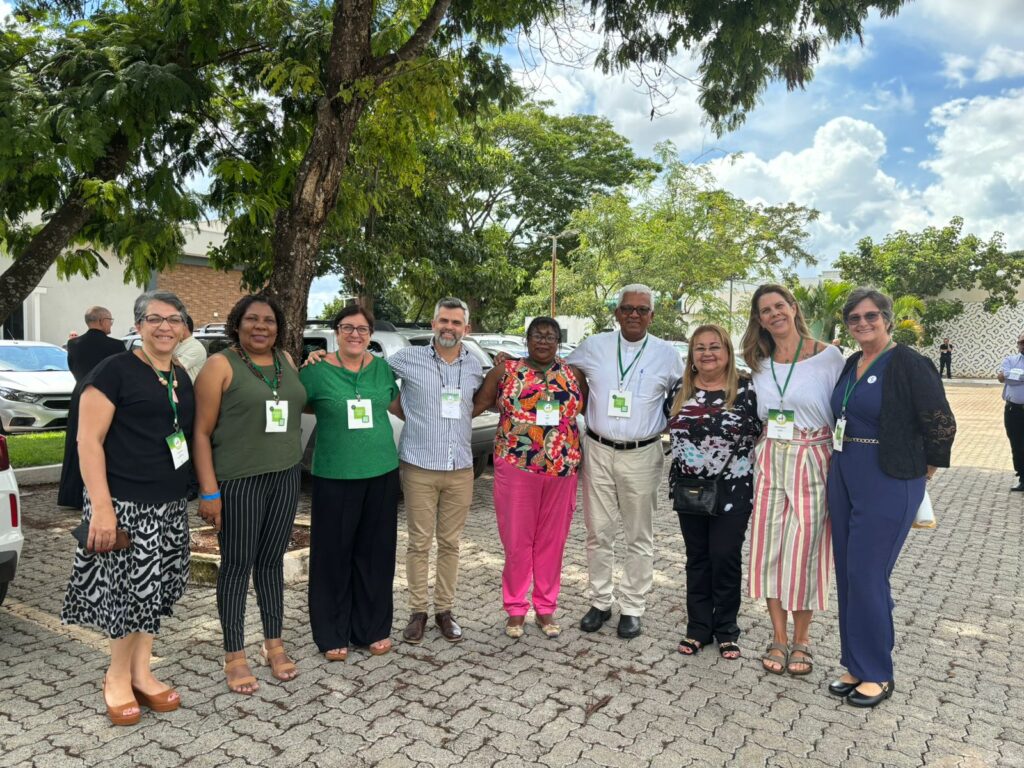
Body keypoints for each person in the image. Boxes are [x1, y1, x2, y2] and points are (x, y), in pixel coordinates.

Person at [60, 291, 194, 726]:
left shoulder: (179, 374)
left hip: (169, 504)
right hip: (124, 504)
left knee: (153, 592)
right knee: (128, 594)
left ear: (183, 327)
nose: (164, 327)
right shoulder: (114, 370)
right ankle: (115, 677)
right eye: (154, 319)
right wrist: (101, 507)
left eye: (173, 319)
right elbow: (87, 441)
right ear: (137, 326)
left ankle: (141, 670)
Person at [826, 287, 955, 707]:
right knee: (848, 572)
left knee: (867, 573)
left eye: (870, 316)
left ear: (887, 318)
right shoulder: (851, 362)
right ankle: (855, 662)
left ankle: (878, 672)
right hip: (844, 472)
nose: (862, 324)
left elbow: (941, 422)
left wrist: (924, 472)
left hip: (888, 477)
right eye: (854, 318)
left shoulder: (909, 363)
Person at [192, 295, 306, 694]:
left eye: (269, 321)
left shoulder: (287, 361)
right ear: (237, 324)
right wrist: (209, 491)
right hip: (239, 481)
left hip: (285, 476)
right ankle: (234, 655)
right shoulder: (220, 365)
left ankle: (273, 643)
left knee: (271, 563)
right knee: (238, 566)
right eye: (252, 319)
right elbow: (201, 433)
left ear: (279, 327)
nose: (262, 327)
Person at [567, 284, 683, 639]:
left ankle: (632, 606)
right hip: (598, 450)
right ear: (616, 313)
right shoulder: (594, 346)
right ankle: (600, 601)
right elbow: (558, 374)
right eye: (627, 308)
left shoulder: (667, 354)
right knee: (598, 532)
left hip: (643, 452)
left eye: (642, 309)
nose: (634, 314)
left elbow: (684, 397)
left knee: (638, 534)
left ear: (652, 315)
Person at [740, 283, 845, 677]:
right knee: (768, 548)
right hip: (769, 457)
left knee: (806, 551)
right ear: (759, 319)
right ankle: (778, 637)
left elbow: (843, 409)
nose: (773, 314)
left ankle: (803, 639)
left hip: (813, 456)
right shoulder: (759, 361)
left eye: (778, 306)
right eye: (765, 310)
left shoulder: (828, 356)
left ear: (793, 307)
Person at [473, 317, 587, 639]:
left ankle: (546, 607)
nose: (544, 341)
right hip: (515, 465)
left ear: (558, 342)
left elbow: (591, 408)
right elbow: (479, 404)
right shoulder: (505, 371)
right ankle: (515, 608)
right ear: (527, 339)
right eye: (537, 335)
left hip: (561, 469)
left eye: (550, 336)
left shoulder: (572, 374)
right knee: (517, 540)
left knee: (552, 541)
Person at [300, 305, 400, 661]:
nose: (355, 334)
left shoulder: (383, 369)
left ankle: (372, 629)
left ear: (370, 334)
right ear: (336, 331)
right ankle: (331, 634)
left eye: (362, 328)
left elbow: (393, 403)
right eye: (347, 327)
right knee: (332, 556)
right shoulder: (315, 371)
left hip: (382, 472)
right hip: (335, 475)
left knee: (375, 555)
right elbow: (305, 405)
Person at [388, 298, 484, 645]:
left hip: (460, 468)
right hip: (419, 466)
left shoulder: (474, 364)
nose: (449, 327)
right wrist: (407, 414)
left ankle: (444, 610)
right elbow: (375, 382)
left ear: (466, 329)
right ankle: (417, 612)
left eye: (456, 322)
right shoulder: (405, 358)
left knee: (451, 544)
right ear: (433, 324)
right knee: (418, 543)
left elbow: (481, 400)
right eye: (443, 320)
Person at [665, 325, 760, 660]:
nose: (707, 354)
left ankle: (727, 629)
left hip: (733, 490)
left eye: (714, 347)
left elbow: (762, 433)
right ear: (692, 355)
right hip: (690, 490)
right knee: (698, 558)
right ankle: (698, 628)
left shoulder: (747, 390)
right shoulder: (680, 389)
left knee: (725, 557)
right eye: (700, 348)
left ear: (727, 352)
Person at [58, 306, 124, 509]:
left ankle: (72, 495)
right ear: (102, 321)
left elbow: (73, 368)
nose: (111, 323)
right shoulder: (116, 345)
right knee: (104, 442)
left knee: (77, 442)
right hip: (108, 395)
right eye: (110, 320)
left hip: (80, 394)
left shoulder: (74, 344)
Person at [997, 331, 1024, 492]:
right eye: (1021, 342)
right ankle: (1022, 477)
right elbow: (1002, 377)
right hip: (1013, 410)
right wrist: (1011, 377)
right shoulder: (1010, 360)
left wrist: (1013, 377)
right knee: (1017, 444)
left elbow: (1008, 377)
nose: (1023, 345)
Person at [176, 315, 208, 383]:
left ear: (185, 327)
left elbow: (176, 366)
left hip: (187, 391)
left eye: (175, 324)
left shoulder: (196, 347)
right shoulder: (178, 344)